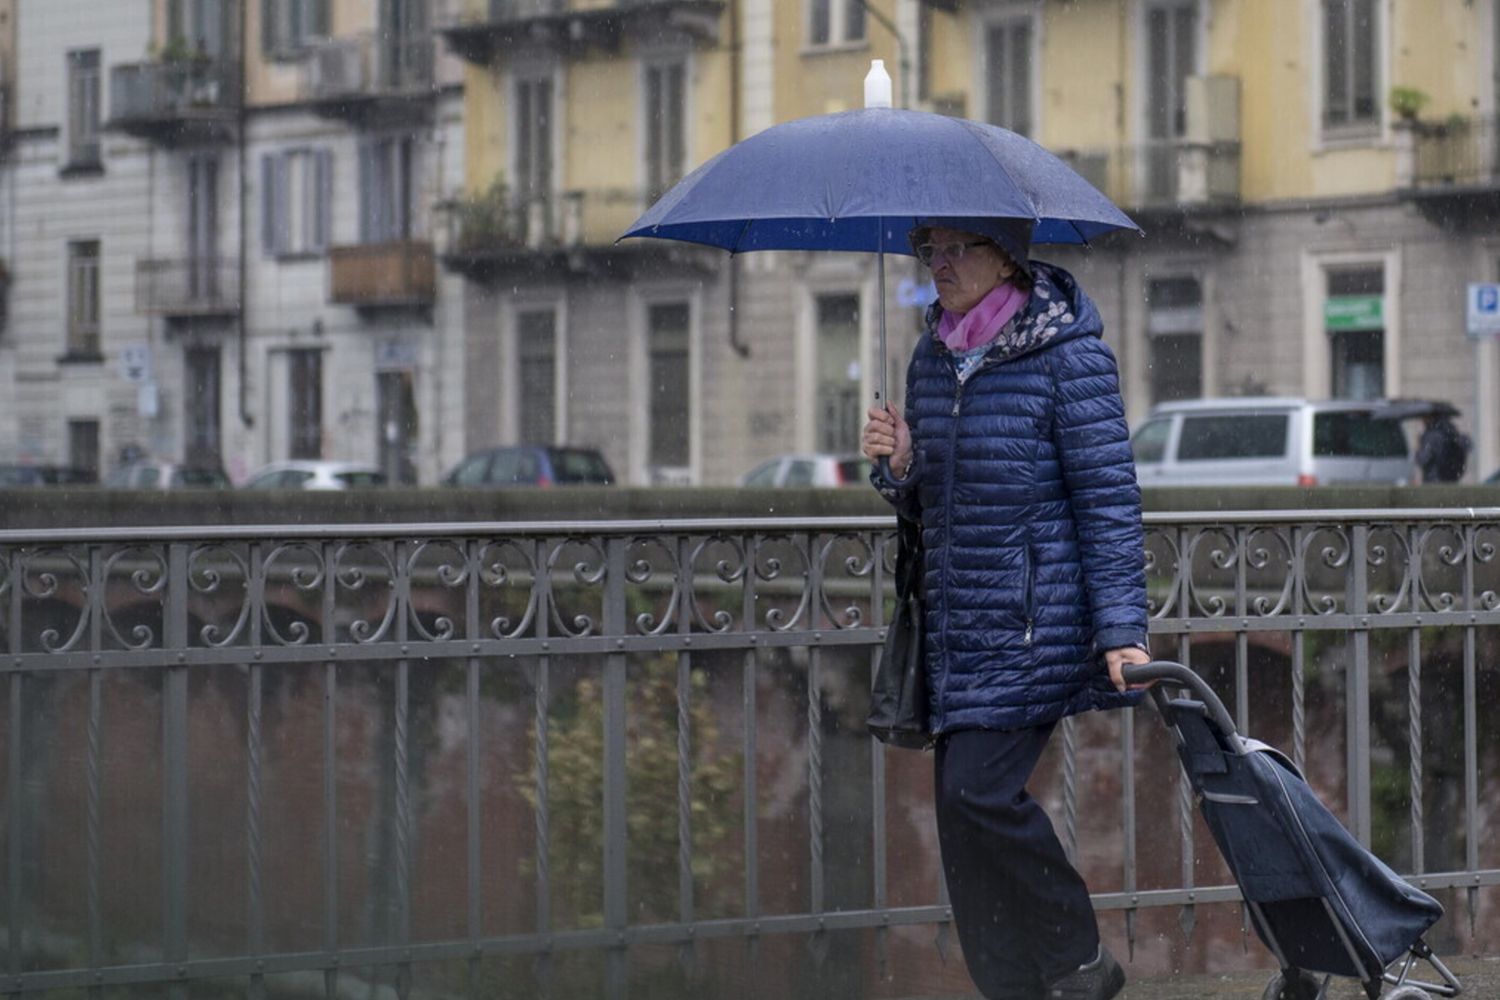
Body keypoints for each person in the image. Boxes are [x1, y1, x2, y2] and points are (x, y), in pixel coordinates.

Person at [861, 218, 1150, 1000]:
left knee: (976, 795)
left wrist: (1122, 630)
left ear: (1007, 259)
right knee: (959, 827)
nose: (940, 264)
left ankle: (1079, 956)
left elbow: (1107, 501)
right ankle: (1013, 986)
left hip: (1034, 623)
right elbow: (930, 503)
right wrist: (900, 466)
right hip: (954, 625)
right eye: (931, 251)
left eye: (958, 249)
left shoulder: (1068, 356)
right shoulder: (931, 356)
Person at [1415, 413, 1469, 484]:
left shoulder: (1431, 436)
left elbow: (1422, 459)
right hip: (1451, 480)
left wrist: (1418, 446)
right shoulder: (1451, 432)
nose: (1422, 421)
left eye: (1425, 417)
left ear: (1430, 418)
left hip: (1434, 481)